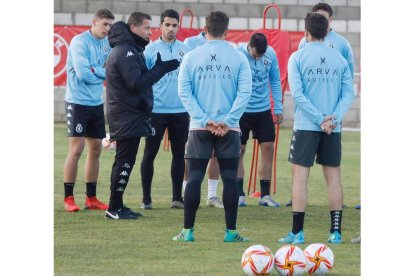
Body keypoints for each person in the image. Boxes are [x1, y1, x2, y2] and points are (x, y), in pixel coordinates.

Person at [173, 11, 252, 242]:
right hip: (230, 128)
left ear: (204, 30)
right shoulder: (238, 57)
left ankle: (188, 232)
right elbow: (245, 92)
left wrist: (203, 119)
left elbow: (183, 92)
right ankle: (231, 233)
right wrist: (228, 120)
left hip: (199, 127)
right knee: (229, 178)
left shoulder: (191, 56)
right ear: (227, 31)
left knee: (195, 177)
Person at [278, 13, 354, 244]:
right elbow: (348, 93)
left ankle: (297, 233)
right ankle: (336, 233)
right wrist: (333, 119)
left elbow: (298, 95)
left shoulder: (297, 57)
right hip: (332, 127)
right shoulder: (339, 59)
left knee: (300, 177)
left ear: (306, 32)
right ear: (327, 30)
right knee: (333, 178)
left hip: (306, 126)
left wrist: (320, 119)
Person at [104, 12, 180, 219]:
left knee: (126, 160)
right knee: (124, 161)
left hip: (130, 115)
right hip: (126, 115)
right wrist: (159, 70)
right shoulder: (125, 51)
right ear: (134, 28)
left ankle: (117, 205)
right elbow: (136, 83)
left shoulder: (131, 49)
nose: (150, 31)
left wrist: (158, 69)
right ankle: (113, 208)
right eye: (147, 28)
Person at [63, 9, 114, 212]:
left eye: (110, 25)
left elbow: (110, 71)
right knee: (76, 150)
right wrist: (97, 72)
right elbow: (83, 75)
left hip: (95, 103)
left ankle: (91, 198)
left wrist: (96, 70)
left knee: (96, 149)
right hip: (77, 102)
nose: (107, 29)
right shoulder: (79, 42)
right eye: (105, 24)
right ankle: (68, 199)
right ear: (94, 23)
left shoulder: (107, 44)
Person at [139, 9, 190, 210]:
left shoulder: (185, 50)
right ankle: (146, 199)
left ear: (178, 26)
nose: (171, 29)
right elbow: (142, 81)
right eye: (167, 25)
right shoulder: (150, 50)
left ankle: (177, 197)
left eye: (174, 25)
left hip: (180, 111)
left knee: (179, 154)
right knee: (149, 153)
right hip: (156, 111)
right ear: (160, 26)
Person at [236, 33, 283, 208]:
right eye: (256, 54)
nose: (259, 57)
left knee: (268, 148)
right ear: (250, 46)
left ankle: (265, 195)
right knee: (239, 150)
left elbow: (275, 81)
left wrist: (277, 107)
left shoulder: (270, 54)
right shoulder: (239, 54)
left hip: (263, 109)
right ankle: (239, 193)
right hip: (242, 110)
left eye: (262, 54)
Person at [183, 31, 224, 209]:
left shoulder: (226, 49)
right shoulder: (190, 45)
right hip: (195, 114)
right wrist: (200, 117)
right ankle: (185, 193)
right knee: (191, 156)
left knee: (214, 154)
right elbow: (185, 84)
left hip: (218, 115)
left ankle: (212, 195)